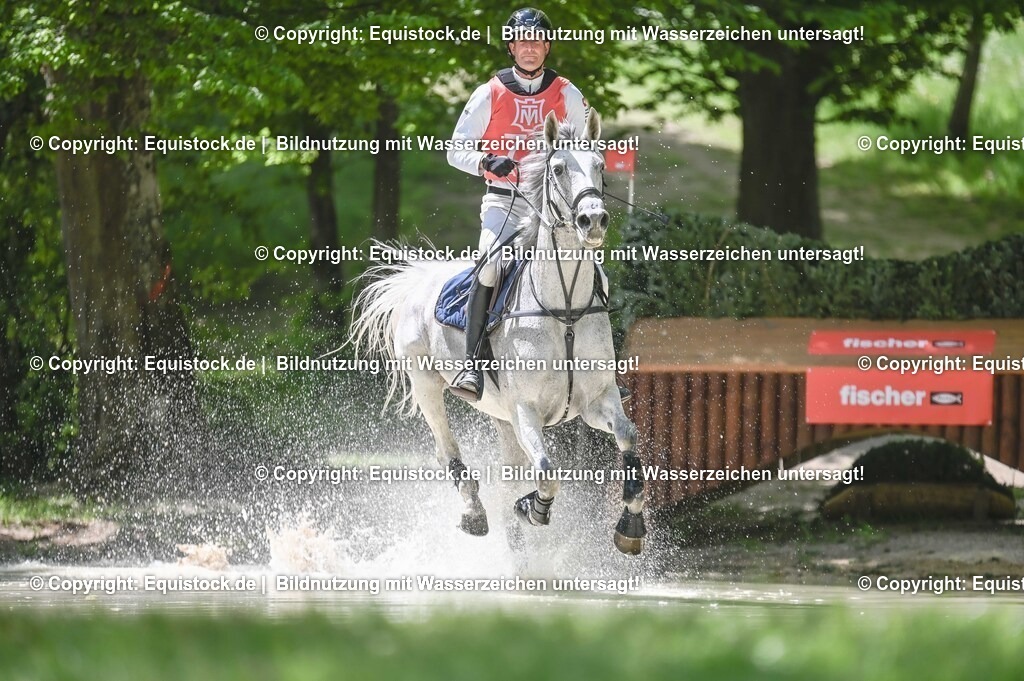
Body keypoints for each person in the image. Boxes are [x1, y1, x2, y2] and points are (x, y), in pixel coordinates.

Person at [446, 7, 588, 401]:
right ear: (511, 46)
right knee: (490, 265)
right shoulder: (489, 92)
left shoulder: (567, 93)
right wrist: (484, 161)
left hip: (552, 208)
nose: (530, 48)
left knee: (590, 267)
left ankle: (600, 367)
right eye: (522, 42)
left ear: (547, 46)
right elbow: (454, 149)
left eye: (537, 41)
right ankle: (471, 364)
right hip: (504, 203)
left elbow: (589, 145)